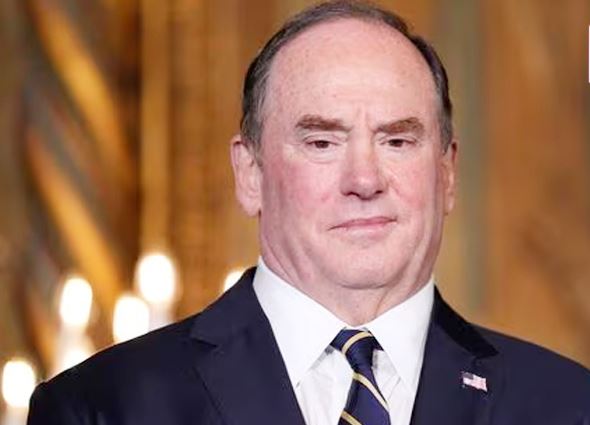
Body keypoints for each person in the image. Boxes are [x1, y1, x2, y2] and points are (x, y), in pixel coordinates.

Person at [28, 1, 590, 424]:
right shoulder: (104, 407)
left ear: (447, 173)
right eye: (322, 142)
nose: (365, 180)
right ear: (250, 174)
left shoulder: (567, 405)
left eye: (398, 141)